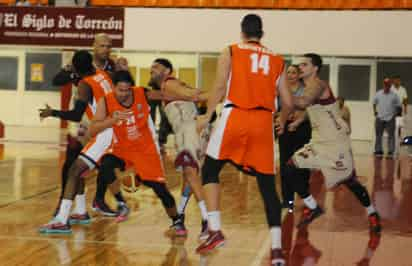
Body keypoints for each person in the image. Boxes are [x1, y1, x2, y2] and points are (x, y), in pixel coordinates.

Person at [195, 14, 293, 266]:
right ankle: (277, 249)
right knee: (268, 187)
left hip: (235, 116)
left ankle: (215, 230)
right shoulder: (278, 60)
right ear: (261, 33)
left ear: (242, 32)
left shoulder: (230, 51)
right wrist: (282, 119)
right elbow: (289, 102)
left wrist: (207, 115)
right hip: (263, 122)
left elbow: (218, 87)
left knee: (209, 170)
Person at [287, 53, 381, 238]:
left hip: (336, 142)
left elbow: (304, 102)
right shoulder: (308, 87)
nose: (300, 68)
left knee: (349, 181)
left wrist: (279, 90)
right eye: (300, 65)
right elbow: (310, 108)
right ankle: (313, 207)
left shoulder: (319, 85)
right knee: (290, 168)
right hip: (318, 141)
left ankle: (372, 213)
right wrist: (298, 122)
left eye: (305, 65)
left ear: (315, 68)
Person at [88, 70, 183, 232]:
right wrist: (112, 120)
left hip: (145, 150)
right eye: (120, 90)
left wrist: (188, 96)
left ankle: (177, 220)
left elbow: (164, 95)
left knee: (160, 190)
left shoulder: (141, 94)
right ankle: (122, 203)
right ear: (113, 88)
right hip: (122, 149)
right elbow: (93, 129)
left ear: (131, 88)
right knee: (105, 164)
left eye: (127, 90)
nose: (124, 94)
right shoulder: (106, 101)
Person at [39, 50, 117, 234]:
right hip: (109, 127)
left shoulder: (85, 85)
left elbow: (75, 115)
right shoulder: (102, 74)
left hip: (104, 132)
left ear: (74, 66)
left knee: (74, 171)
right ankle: (80, 211)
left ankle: (61, 220)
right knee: (78, 167)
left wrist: (53, 113)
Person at [148, 58, 209, 239]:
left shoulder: (169, 83)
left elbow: (196, 95)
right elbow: (194, 95)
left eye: (156, 67)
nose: (152, 69)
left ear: (167, 71)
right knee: (189, 177)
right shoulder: (166, 90)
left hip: (189, 130)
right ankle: (180, 217)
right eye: (151, 67)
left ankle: (208, 222)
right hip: (191, 132)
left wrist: (220, 93)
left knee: (191, 174)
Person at [277, 64, 311, 210]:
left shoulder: (307, 90)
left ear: (299, 75)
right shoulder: (281, 91)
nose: (290, 75)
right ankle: (288, 200)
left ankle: (304, 196)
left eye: (293, 72)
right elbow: (277, 109)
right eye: (288, 72)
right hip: (285, 129)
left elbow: (310, 109)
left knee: (301, 164)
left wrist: (298, 120)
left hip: (302, 129)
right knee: (285, 164)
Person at [373, 78, 401, 157]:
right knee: (378, 135)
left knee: (391, 135)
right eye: (385, 84)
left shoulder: (394, 95)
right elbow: (374, 103)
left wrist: (395, 114)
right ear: (383, 85)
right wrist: (375, 111)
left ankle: (390, 151)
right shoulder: (378, 94)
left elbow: (399, 106)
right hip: (380, 118)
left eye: (388, 84)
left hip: (390, 118)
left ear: (390, 85)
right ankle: (378, 150)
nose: (386, 86)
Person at [391, 75, 408, 155]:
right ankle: (393, 146)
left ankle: (399, 142)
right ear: (393, 81)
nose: (397, 81)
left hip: (399, 109)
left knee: (399, 128)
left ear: (400, 81)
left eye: (398, 80)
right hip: (391, 109)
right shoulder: (391, 88)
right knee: (392, 127)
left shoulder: (403, 89)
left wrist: (405, 108)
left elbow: (405, 99)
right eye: (395, 80)